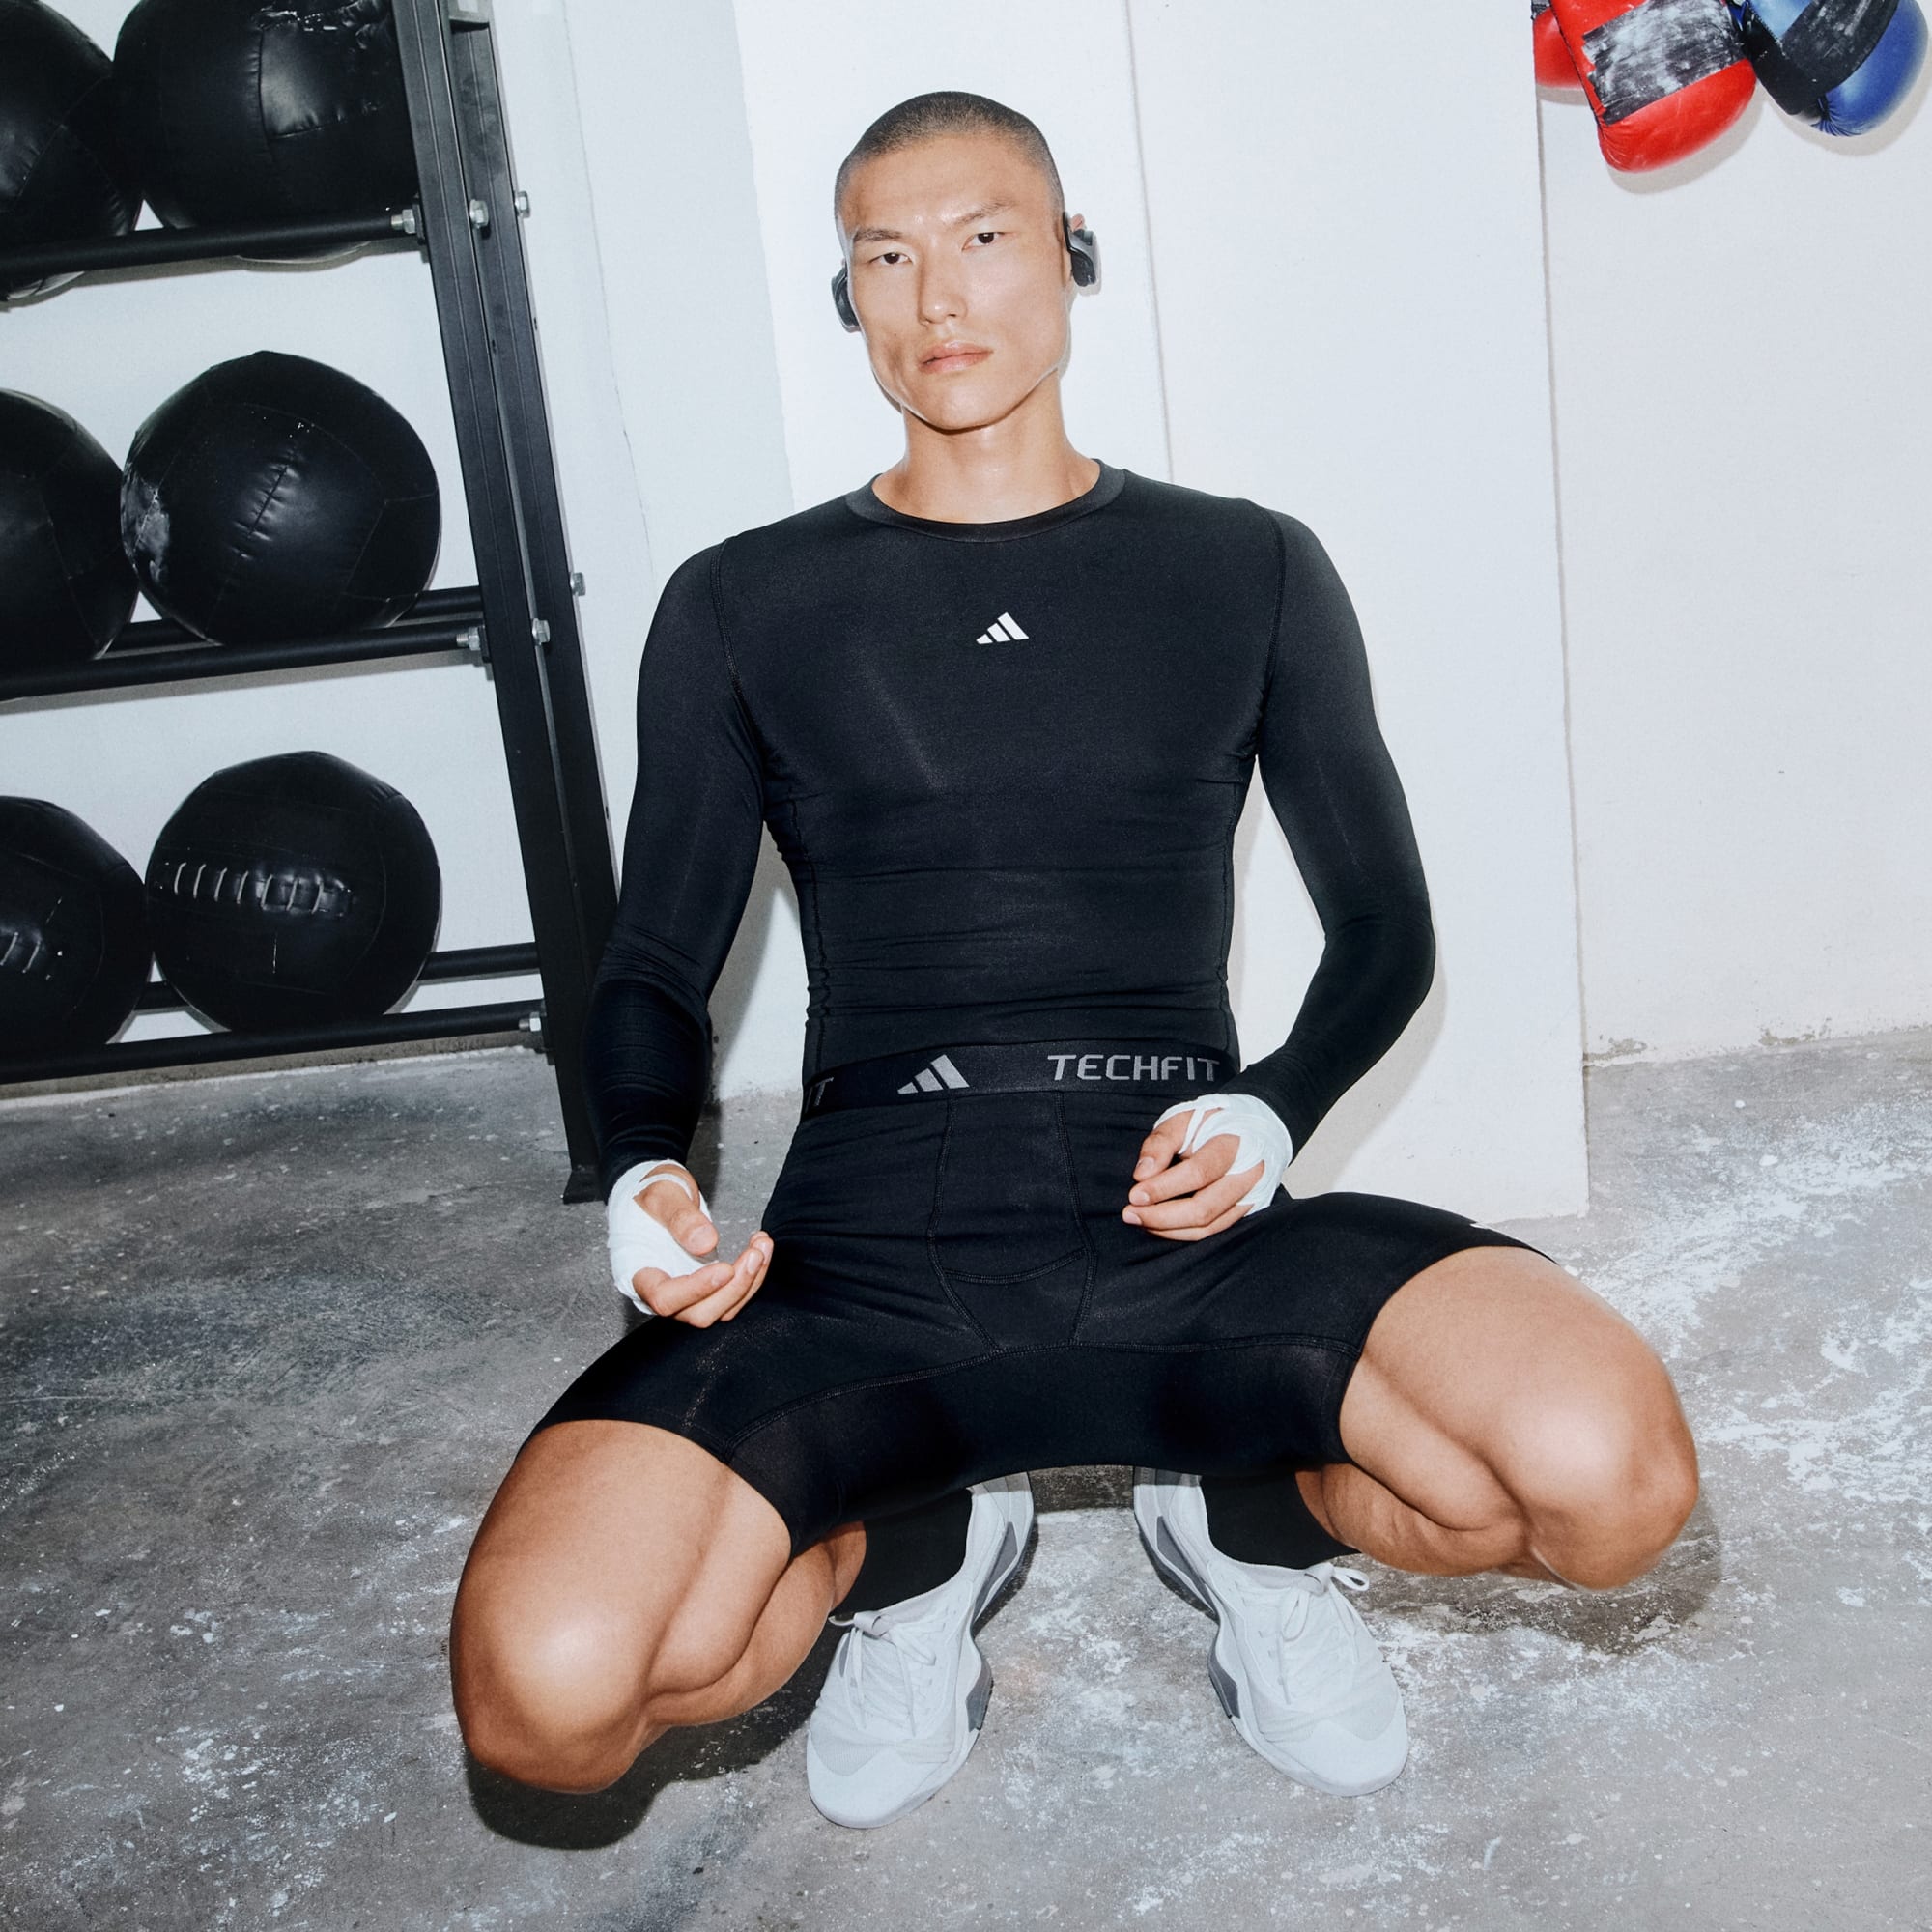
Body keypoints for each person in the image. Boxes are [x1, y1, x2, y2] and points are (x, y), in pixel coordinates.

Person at [448, 89, 1699, 1830]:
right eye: (887, 255)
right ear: (847, 295)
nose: (938, 294)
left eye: (984, 238)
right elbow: (657, 952)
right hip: (870, 1243)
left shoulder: (1245, 565)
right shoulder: (744, 602)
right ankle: (910, 1557)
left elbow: (1385, 926)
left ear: (1069, 257)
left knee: (1610, 1488)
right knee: (546, 1702)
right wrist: (648, 1161)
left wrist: (1275, 1107)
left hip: (1182, 1210)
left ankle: (1245, 1529)